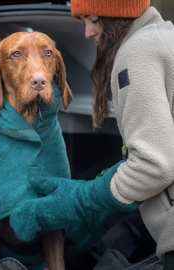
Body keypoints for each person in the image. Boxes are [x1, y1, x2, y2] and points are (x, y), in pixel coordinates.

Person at [9, 0, 174, 269]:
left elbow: (154, 166)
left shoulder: (137, 53)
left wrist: (83, 199)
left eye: (92, 19)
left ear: (117, 14)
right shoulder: (167, 38)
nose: (87, 32)